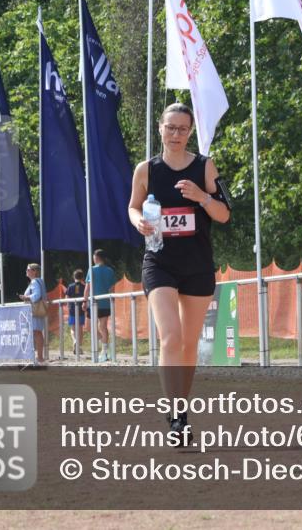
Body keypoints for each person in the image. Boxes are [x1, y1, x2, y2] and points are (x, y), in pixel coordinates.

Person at [128, 102, 231, 443]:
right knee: (170, 336)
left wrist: (202, 197)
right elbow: (132, 206)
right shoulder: (146, 169)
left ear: (190, 132)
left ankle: (179, 408)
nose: (175, 134)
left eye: (182, 129)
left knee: (188, 345)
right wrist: (138, 220)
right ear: (160, 128)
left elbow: (224, 215)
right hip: (159, 261)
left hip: (197, 264)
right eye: (170, 127)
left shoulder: (204, 166)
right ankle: (176, 415)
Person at [84, 250, 117, 362]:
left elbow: (87, 287)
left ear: (96, 257)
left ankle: (104, 349)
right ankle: (105, 345)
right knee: (101, 327)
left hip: (94, 302)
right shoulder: (110, 270)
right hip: (105, 302)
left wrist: (84, 301)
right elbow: (112, 289)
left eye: (93, 257)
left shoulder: (91, 269)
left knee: (90, 327)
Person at [20, 263, 47, 364]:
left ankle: (39, 357)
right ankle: (39, 357)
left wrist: (26, 297)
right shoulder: (39, 281)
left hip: (35, 310)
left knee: (36, 332)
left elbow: (37, 295)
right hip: (37, 309)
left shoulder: (35, 281)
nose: (26, 271)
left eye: (28, 269)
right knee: (37, 332)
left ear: (34, 271)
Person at [66, 269, 87, 355]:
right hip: (81, 310)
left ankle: (75, 341)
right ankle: (79, 347)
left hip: (72, 310)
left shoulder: (70, 286)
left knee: (73, 328)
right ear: (82, 277)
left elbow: (67, 297)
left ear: (73, 277)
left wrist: (68, 305)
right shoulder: (84, 286)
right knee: (80, 328)